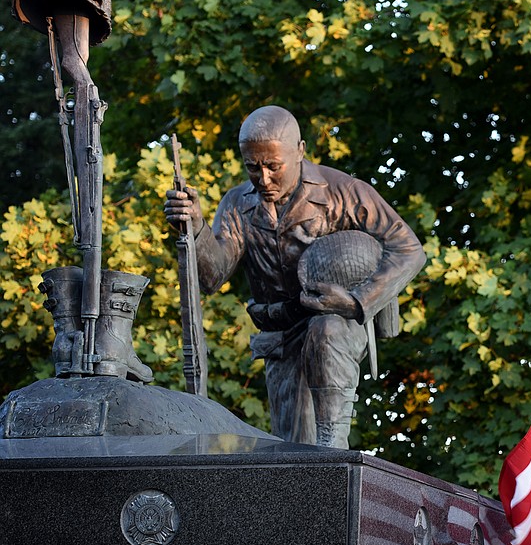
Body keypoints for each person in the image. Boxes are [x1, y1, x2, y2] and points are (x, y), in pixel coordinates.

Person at [163, 105, 426, 448]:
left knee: (326, 331)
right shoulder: (237, 203)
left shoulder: (342, 191)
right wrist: (195, 228)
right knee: (295, 448)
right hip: (281, 334)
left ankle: (334, 447)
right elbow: (213, 277)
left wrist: (357, 302)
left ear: (300, 151)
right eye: (253, 168)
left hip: (338, 319)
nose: (264, 179)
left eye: (274, 166)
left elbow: (409, 249)